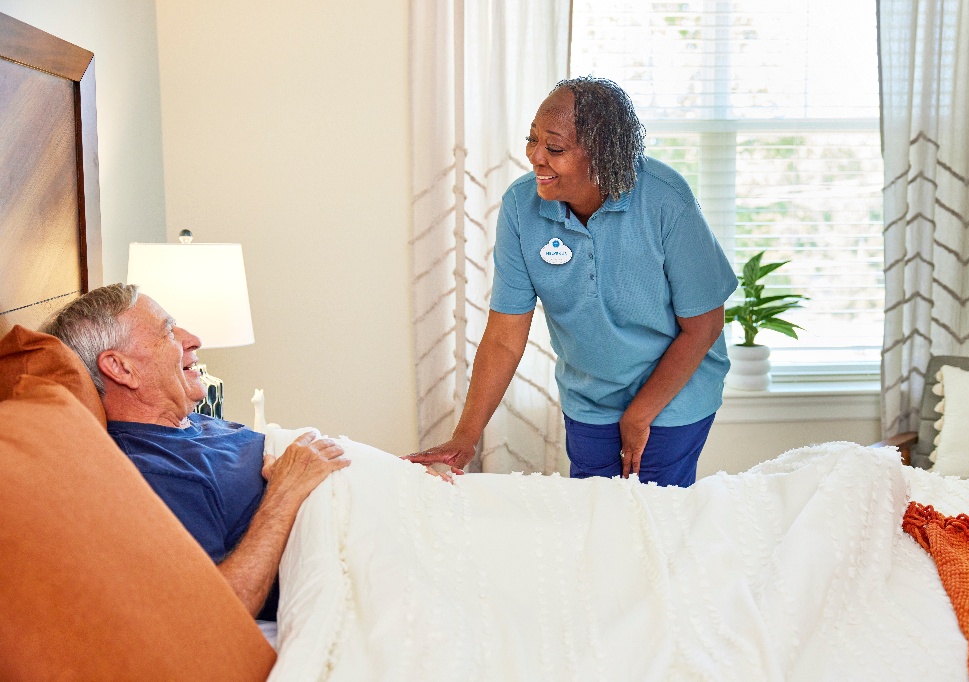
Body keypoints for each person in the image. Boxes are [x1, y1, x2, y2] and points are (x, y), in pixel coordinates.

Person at [41, 283, 448, 621]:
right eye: (167, 332)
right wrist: (285, 493)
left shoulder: (189, 424)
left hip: (411, 512)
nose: (192, 340)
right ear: (121, 368)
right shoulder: (152, 471)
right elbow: (218, 611)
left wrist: (391, 474)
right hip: (381, 554)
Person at [409, 76, 737, 487]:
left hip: (674, 397)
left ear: (601, 154)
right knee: (592, 520)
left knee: (657, 525)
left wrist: (640, 414)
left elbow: (703, 325)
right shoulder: (520, 207)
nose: (535, 157)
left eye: (555, 148)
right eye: (532, 140)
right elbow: (504, 337)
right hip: (590, 400)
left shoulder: (666, 200)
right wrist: (466, 436)